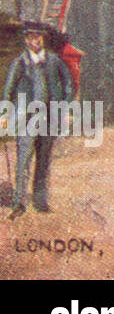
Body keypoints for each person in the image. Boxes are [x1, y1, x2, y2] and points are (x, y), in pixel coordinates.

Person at [3, 21, 74, 218]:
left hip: (49, 118)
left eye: (38, 38)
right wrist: (4, 116)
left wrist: (66, 107)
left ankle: (40, 202)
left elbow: (68, 84)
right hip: (26, 119)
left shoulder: (54, 61)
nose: (35, 41)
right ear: (26, 40)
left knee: (43, 162)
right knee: (23, 161)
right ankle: (19, 203)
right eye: (31, 38)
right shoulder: (20, 62)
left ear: (42, 39)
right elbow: (8, 90)